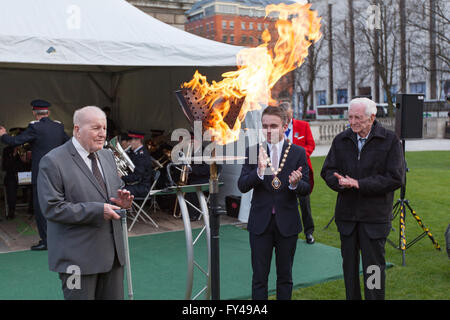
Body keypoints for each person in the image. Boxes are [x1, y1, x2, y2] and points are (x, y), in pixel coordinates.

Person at [37, 106, 133, 300]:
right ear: (77, 129)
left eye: (104, 128)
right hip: (76, 261)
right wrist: (98, 210)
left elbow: (115, 192)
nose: (102, 134)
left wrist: (123, 202)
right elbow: (52, 208)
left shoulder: (107, 155)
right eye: (96, 128)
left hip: (113, 257)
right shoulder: (53, 161)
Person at [321, 97, 404, 300]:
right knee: (349, 270)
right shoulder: (341, 140)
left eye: (358, 117)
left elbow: (395, 178)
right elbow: (327, 170)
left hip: (374, 219)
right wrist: (338, 181)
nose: (353, 122)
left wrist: (359, 184)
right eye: (350, 117)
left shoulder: (390, 140)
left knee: (373, 270)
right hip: (347, 218)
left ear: (372, 117)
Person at [238, 106, 310, 300]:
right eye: (264, 126)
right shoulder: (253, 151)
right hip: (260, 224)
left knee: (285, 277)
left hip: (287, 223)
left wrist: (296, 184)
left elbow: (307, 187)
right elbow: (242, 185)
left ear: (285, 126)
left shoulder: (297, 152)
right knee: (259, 277)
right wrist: (259, 172)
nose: (268, 131)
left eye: (273, 126)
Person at [0, 100, 69, 250]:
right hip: (59, 173)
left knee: (41, 207)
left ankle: (46, 241)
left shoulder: (35, 127)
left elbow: (15, 141)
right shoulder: (58, 126)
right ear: (48, 113)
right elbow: (68, 143)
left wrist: (3, 135)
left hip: (42, 174)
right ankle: (60, 238)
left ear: (34, 113)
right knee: (58, 205)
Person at [281, 103, 316, 244]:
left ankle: (309, 233)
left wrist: (299, 156)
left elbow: (311, 145)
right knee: (283, 203)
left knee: (305, 204)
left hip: (301, 171)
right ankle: (285, 232)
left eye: (289, 117)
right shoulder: (276, 128)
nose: (287, 120)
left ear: (292, 114)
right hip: (282, 172)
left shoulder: (303, 126)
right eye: (284, 117)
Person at [1, 128, 32, 220]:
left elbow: (30, 165)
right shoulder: (7, 150)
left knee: (36, 183)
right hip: (12, 176)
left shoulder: (27, 148)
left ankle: (31, 209)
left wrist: (27, 159)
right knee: (11, 184)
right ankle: (11, 211)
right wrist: (14, 154)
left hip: (25, 176)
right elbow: (4, 167)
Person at [121, 130, 154, 198]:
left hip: (142, 187)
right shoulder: (135, 153)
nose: (129, 144)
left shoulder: (142, 156)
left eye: (130, 141)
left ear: (138, 141)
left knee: (117, 191)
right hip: (137, 185)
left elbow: (137, 177)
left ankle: (123, 208)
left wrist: (122, 177)